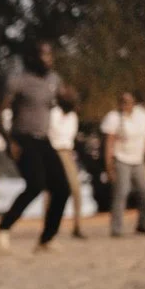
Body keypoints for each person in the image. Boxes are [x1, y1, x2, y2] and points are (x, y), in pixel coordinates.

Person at [0, 40, 70, 252]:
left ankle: (46, 238)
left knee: (62, 188)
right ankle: (3, 228)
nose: (49, 59)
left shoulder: (54, 80)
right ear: (33, 58)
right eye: (44, 54)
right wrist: (9, 141)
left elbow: (67, 105)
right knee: (35, 184)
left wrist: (70, 99)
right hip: (22, 138)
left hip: (44, 139)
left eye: (51, 55)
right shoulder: (18, 80)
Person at [101, 91, 145, 237]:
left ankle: (143, 224)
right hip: (121, 159)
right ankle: (116, 229)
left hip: (138, 160)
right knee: (122, 191)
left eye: (127, 102)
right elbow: (109, 143)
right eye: (122, 101)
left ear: (133, 103)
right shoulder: (114, 117)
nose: (125, 105)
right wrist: (109, 165)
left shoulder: (142, 116)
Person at [48, 85, 86, 239]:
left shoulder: (73, 117)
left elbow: (70, 138)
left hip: (67, 153)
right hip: (53, 152)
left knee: (76, 189)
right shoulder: (53, 113)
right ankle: (49, 228)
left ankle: (77, 226)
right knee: (51, 192)